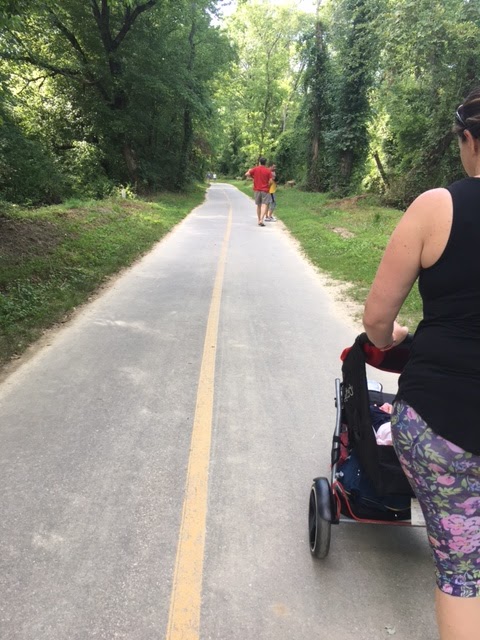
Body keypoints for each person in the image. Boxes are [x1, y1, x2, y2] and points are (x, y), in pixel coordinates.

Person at [362, 87, 480, 640]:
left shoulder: (437, 207)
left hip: (442, 422)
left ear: (468, 140)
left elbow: (376, 320)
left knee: (461, 571)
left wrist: (394, 337)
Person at [245, 157, 273, 227]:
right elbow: (271, 181)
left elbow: (247, 174)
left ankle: (258, 220)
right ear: (265, 163)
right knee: (264, 205)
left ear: (259, 162)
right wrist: (269, 185)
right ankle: (261, 220)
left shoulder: (255, 169)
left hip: (257, 189)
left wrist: (252, 175)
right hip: (265, 190)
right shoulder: (268, 171)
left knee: (258, 205)